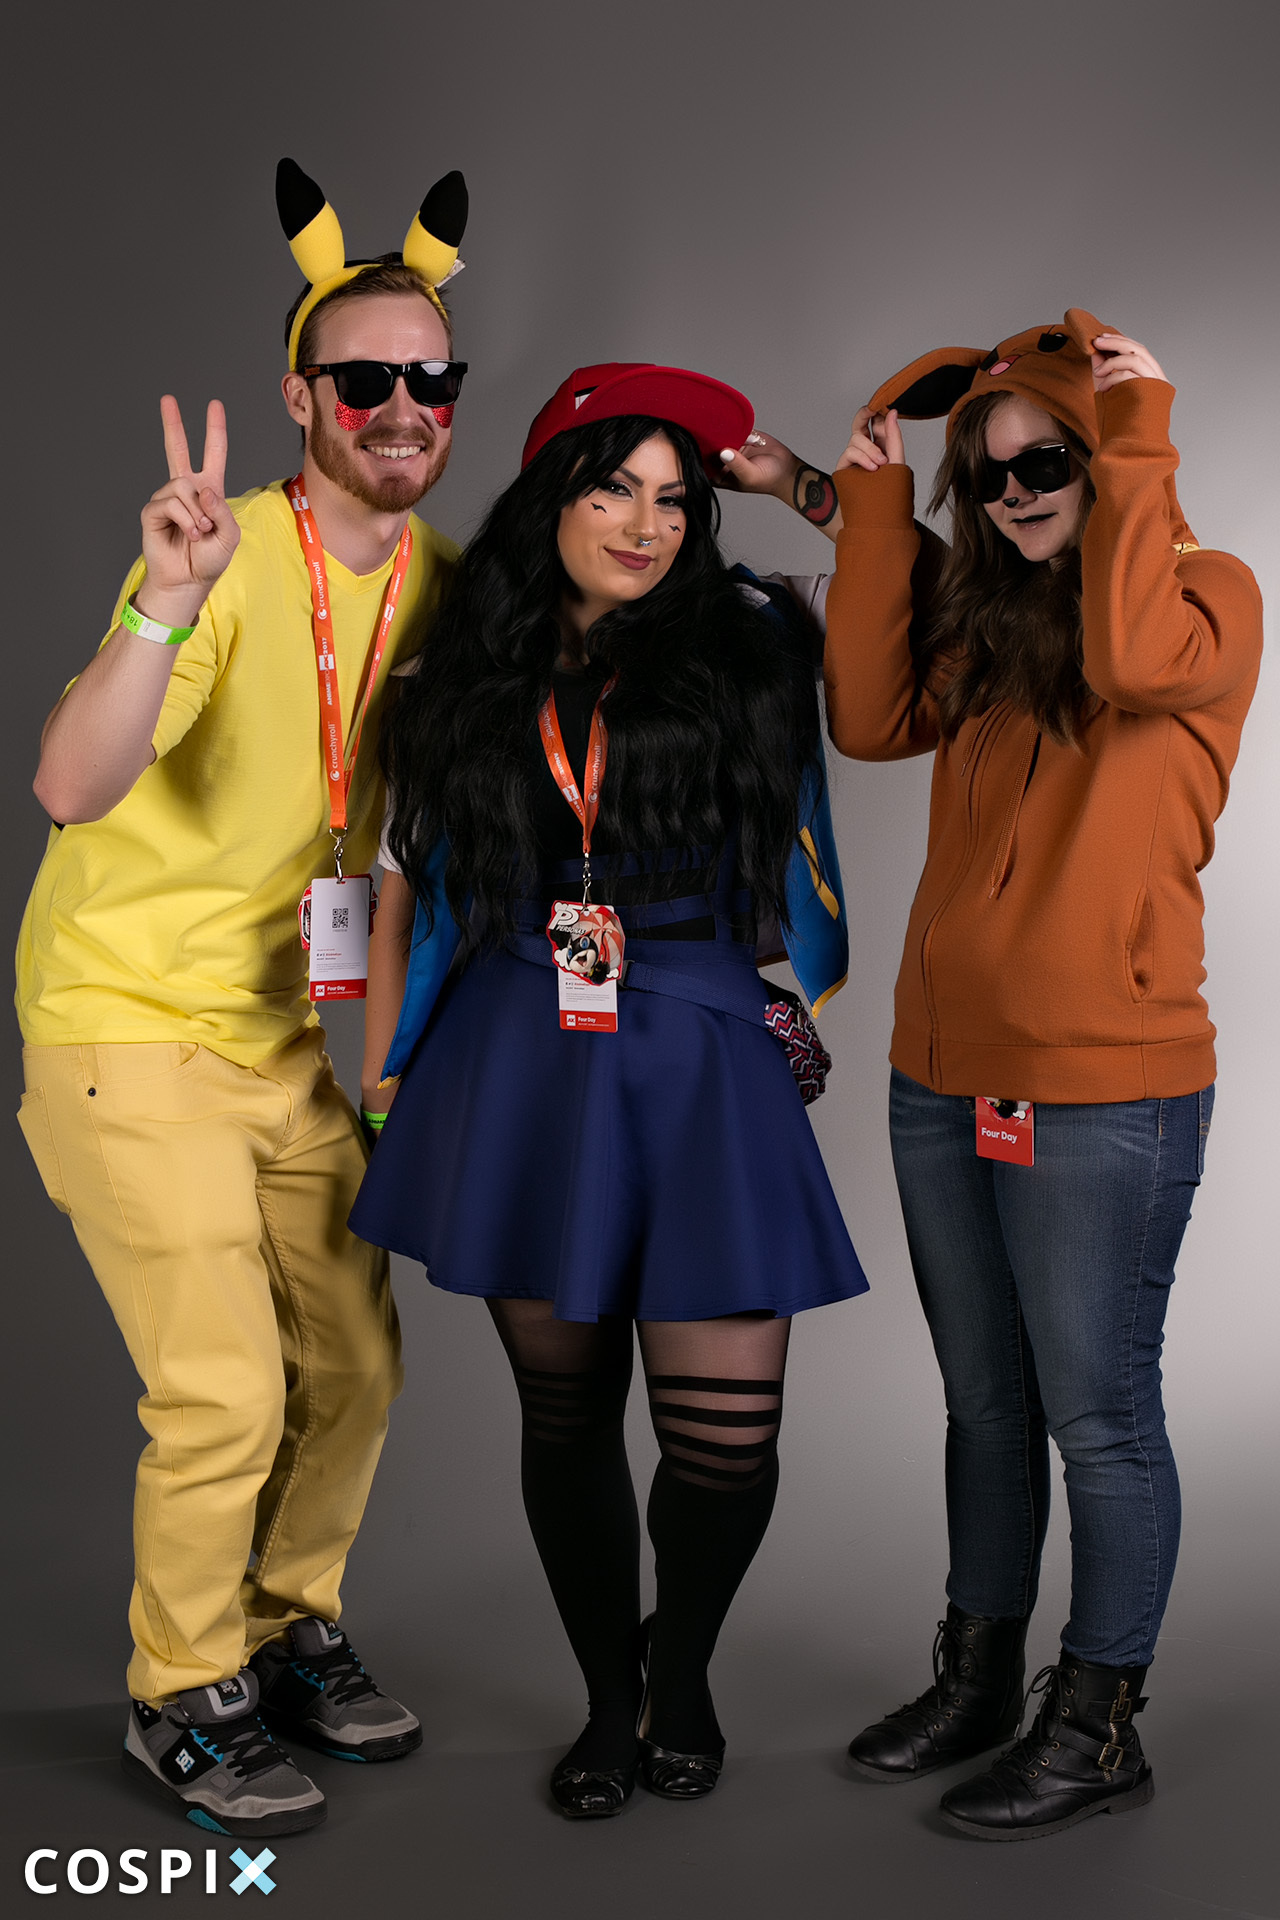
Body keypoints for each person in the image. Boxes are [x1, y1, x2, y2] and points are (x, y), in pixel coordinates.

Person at [720, 308, 1263, 1838]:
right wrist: (862, 493)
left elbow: (1130, 650)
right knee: (984, 1404)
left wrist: (1140, 429)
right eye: (992, 474)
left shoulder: (1206, 598)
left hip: (1105, 1086)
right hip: (942, 1072)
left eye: (1049, 465)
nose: (1017, 494)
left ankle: (1097, 1723)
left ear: (1109, 461)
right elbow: (867, 711)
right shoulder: (989, 628)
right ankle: (977, 1680)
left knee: (1099, 1413)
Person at [15, 159, 469, 1837]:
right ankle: (180, 1689)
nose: (402, 407)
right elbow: (70, 784)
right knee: (225, 1388)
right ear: (301, 397)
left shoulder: (442, 579)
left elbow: (407, 840)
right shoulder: (222, 557)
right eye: (364, 380)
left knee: (355, 1363)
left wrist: (388, 1068)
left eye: (432, 379)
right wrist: (163, 600)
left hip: (284, 1039)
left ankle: (284, 1628)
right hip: (127, 1021)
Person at [348, 363, 868, 1818]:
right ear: (549, 500)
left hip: (701, 1045)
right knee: (566, 1415)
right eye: (615, 490)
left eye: (676, 499)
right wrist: (384, 1087)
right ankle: (604, 1698)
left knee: (727, 1439)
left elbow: (923, 617)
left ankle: (677, 1671)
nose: (648, 524)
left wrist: (803, 488)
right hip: (521, 1048)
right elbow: (405, 892)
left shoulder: (760, 631)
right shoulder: (459, 671)